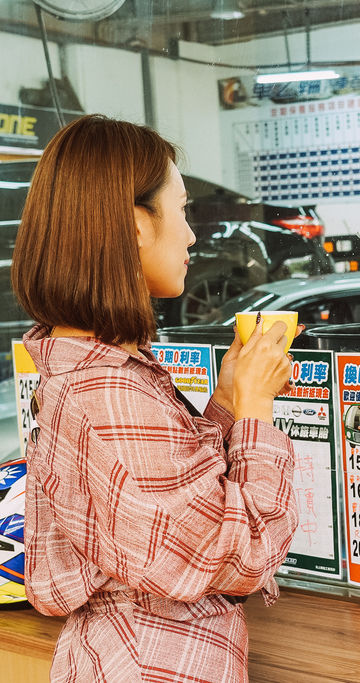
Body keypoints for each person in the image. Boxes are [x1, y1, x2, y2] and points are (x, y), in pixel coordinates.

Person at [11, 115, 299, 682]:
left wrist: (224, 402)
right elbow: (234, 553)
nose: (192, 235)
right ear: (134, 222)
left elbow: (166, 501)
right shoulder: (108, 393)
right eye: (184, 210)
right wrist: (258, 414)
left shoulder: (93, 372)